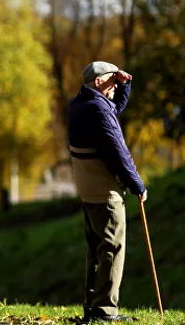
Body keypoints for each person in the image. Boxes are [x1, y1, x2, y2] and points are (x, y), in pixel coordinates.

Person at [67, 61, 148, 323]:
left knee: (96, 251)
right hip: (105, 193)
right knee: (112, 249)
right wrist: (137, 185)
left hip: (88, 191)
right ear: (100, 81)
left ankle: (92, 308)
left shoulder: (80, 105)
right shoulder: (98, 110)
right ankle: (105, 312)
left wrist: (125, 85)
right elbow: (118, 153)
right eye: (112, 82)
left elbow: (114, 109)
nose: (115, 87)